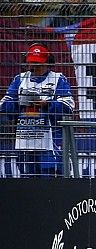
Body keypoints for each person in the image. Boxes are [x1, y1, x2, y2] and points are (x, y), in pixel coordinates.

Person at [0, 43, 75, 178]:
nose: (34, 67)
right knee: (27, 180)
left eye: (38, 64)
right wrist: (19, 103)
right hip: (25, 141)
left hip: (49, 142)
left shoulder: (58, 79)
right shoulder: (19, 79)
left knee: (50, 179)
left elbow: (68, 106)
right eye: (31, 63)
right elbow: (4, 105)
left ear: (48, 63)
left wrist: (46, 104)